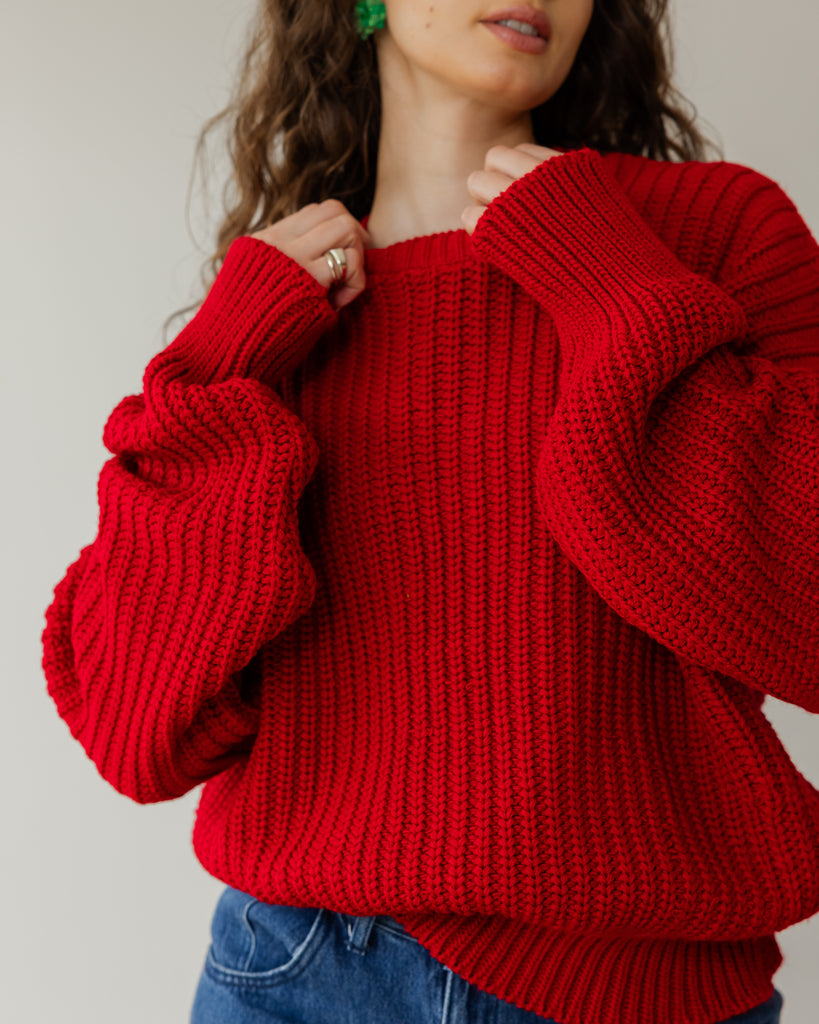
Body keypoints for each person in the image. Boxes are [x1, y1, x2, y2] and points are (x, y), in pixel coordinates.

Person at [39, 0, 819, 1021]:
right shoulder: (279, 310)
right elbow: (135, 727)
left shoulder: (711, 233)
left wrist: (609, 277)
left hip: (641, 986)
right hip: (297, 969)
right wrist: (221, 361)